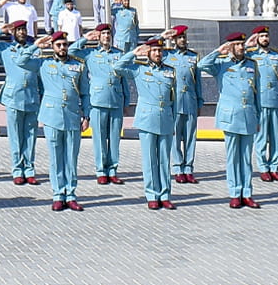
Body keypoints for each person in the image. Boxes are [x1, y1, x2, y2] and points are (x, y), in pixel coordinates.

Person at [113, 38, 179, 210]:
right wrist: (133, 53)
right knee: (150, 159)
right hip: (147, 119)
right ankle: (152, 194)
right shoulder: (139, 69)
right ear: (148, 53)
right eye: (154, 51)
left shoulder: (170, 72)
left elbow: (175, 99)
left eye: (160, 51)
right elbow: (118, 68)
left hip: (165, 118)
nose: (158, 54)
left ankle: (165, 194)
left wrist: (174, 120)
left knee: (164, 159)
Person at [198, 32, 261, 209]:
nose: (241, 48)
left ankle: (247, 193)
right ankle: (234, 192)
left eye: (242, 44)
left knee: (246, 158)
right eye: (237, 45)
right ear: (230, 47)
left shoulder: (252, 65)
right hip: (231, 116)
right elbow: (202, 64)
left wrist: (258, 115)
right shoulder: (221, 64)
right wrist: (219, 51)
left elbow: (258, 93)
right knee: (233, 157)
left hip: (248, 115)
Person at [31, 31, 90, 211]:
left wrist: (86, 115)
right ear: (52, 46)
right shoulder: (43, 63)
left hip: (72, 115)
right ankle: (58, 194)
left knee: (71, 157)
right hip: (52, 116)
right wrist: (35, 45)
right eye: (59, 45)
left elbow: (86, 93)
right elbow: (21, 61)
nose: (62, 48)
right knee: (56, 157)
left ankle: (71, 194)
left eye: (64, 44)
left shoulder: (78, 65)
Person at [0, 19, 43, 185]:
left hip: (32, 96)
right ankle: (17, 170)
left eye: (24, 29)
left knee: (30, 136)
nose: (22, 32)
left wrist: (42, 97)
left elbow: (40, 75)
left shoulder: (35, 49)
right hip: (14, 97)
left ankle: (29, 169)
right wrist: (1, 30)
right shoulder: (5, 48)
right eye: (18, 30)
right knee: (15, 136)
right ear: (13, 33)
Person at [73, 26, 128, 185]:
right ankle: (101, 170)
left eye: (108, 33)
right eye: (103, 33)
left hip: (116, 100)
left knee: (114, 137)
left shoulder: (119, 54)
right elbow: (72, 51)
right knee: (99, 138)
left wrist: (126, 100)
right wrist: (86, 38)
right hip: (97, 101)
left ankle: (113, 170)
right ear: (98, 36)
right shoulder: (90, 54)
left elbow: (124, 78)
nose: (106, 36)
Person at [161, 26, 204, 184]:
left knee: (190, 136)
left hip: (190, 101)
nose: (183, 40)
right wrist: (162, 36)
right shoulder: (166, 55)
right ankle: (178, 167)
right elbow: (149, 48)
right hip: (174, 102)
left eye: (184, 37)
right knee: (175, 136)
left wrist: (200, 101)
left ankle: (189, 168)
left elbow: (197, 81)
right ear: (173, 40)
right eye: (179, 38)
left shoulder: (193, 57)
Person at [246, 25, 278, 182]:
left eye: (266, 36)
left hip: (275, 99)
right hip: (260, 101)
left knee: (275, 136)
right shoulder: (250, 55)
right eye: (262, 36)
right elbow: (234, 55)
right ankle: (263, 167)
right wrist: (246, 45)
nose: (265, 39)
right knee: (262, 136)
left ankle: (274, 167)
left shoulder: (276, 55)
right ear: (256, 38)